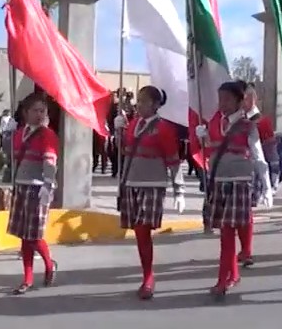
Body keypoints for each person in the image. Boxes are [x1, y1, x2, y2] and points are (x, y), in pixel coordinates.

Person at [194, 80, 270, 297]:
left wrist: (266, 186)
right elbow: (211, 148)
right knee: (225, 232)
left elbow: (258, 156)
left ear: (239, 101)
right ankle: (233, 275)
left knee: (227, 232)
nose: (222, 103)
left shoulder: (248, 126)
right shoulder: (215, 123)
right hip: (219, 181)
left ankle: (223, 280)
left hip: (239, 182)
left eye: (227, 99)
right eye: (220, 99)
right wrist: (203, 137)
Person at [114, 86, 185, 300]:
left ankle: (149, 278)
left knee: (144, 229)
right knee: (139, 232)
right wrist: (119, 132)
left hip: (153, 185)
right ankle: (146, 274)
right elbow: (124, 153)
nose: (139, 104)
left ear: (155, 105)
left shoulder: (164, 129)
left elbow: (173, 161)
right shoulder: (133, 124)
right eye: (139, 100)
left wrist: (179, 190)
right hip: (131, 183)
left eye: (144, 101)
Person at [7, 93, 59, 295]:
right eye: (35, 110)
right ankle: (27, 278)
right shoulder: (20, 133)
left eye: (42, 111)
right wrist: (7, 135)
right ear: (25, 113)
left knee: (34, 234)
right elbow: (10, 155)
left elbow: (50, 161)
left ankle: (48, 264)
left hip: (38, 188)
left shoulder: (47, 135)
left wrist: (48, 185)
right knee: (23, 234)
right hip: (21, 185)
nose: (39, 114)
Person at [237, 83, 276, 267]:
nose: (244, 101)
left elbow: (269, 151)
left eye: (247, 97)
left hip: (253, 171)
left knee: (246, 212)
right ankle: (244, 249)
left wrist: (270, 180)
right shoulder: (235, 119)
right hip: (235, 169)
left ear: (253, 99)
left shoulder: (262, 121)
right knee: (239, 214)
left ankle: (247, 250)